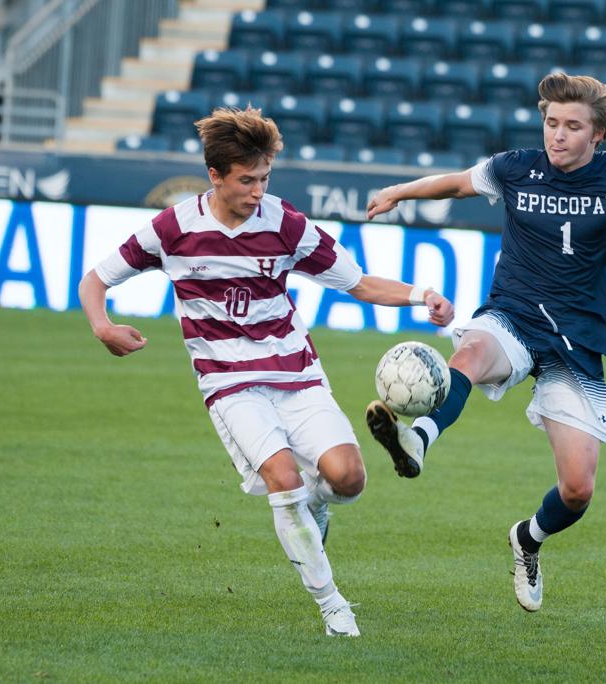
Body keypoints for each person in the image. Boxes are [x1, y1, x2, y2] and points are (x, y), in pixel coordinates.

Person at [363, 72, 606, 612]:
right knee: (470, 354)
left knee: (578, 490)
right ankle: (416, 439)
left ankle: (528, 538)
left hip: (578, 341)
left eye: (572, 126)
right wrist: (397, 192)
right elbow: (456, 183)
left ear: (598, 133)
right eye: (551, 123)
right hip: (512, 315)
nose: (558, 135)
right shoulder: (515, 168)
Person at [79, 106, 454, 636]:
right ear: (215, 175)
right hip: (230, 385)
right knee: (282, 478)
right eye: (247, 180)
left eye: (265, 179)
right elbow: (96, 279)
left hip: (297, 375)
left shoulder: (285, 224)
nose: (258, 191)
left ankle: (317, 505)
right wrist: (103, 326)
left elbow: (359, 282)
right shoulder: (174, 228)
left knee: (348, 479)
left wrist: (423, 295)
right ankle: (333, 606)